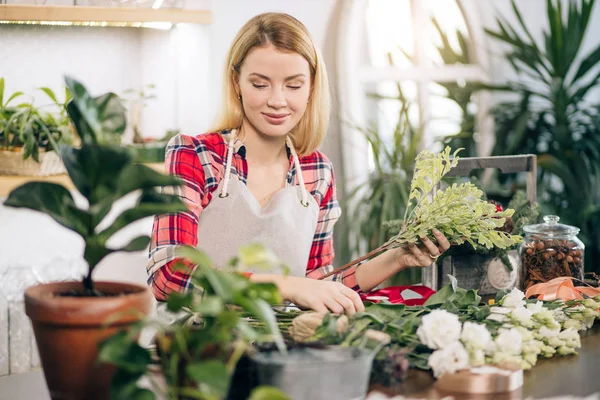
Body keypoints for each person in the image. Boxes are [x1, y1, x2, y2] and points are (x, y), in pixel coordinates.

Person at [147, 12, 450, 315]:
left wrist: (396, 258)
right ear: (236, 82)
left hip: (280, 348)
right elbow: (170, 275)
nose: (278, 100)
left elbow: (318, 283)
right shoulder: (195, 155)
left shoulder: (315, 172)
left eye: (293, 85)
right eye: (260, 84)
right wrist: (287, 286)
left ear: (311, 87)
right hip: (195, 348)